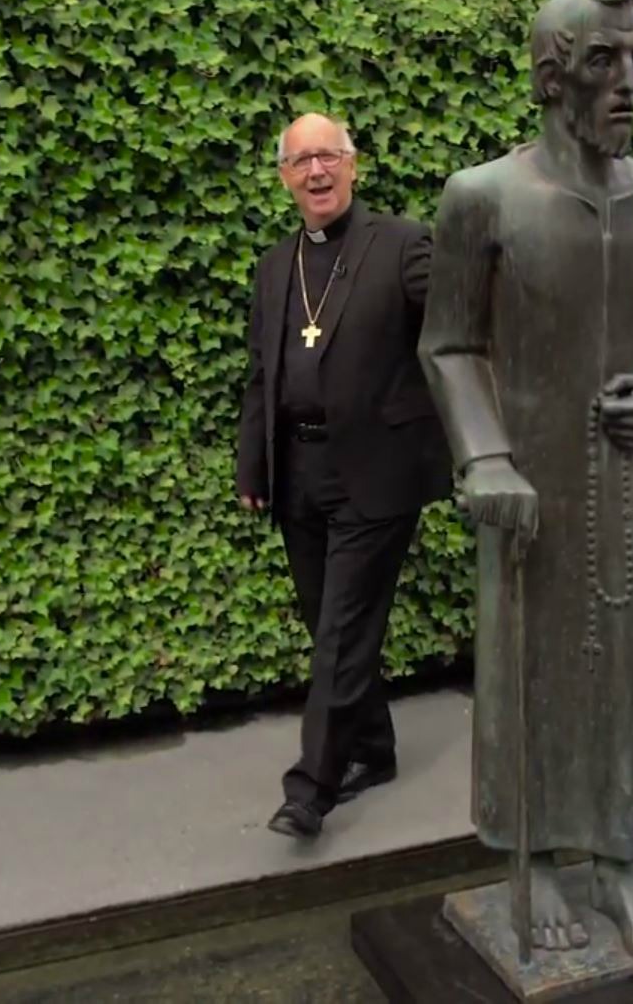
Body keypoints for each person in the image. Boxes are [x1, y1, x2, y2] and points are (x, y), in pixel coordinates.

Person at [419, 0, 633, 970]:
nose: (627, 83)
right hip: (525, 479)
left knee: (619, 664)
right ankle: (528, 860)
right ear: (550, 77)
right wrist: (485, 457)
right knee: (523, 668)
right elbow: (449, 343)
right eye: (602, 64)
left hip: (621, 476)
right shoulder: (481, 198)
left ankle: (622, 861)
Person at [235, 112, 452, 838]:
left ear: (353, 165)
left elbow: (457, 326)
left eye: (328, 155)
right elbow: (263, 372)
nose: (316, 171)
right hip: (297, 470)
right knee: (326, 620)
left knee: (340, 631)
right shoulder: (275, 265)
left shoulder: (402, 243)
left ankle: (310, 790)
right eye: (300, 161)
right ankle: (374, 749)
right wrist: (253, 462)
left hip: (376, 470)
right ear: (284, 178)